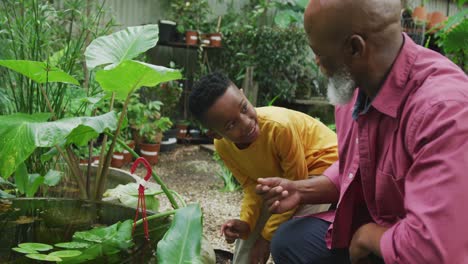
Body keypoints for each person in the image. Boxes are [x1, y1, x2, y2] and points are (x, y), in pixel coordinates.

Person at [256, 0, 468, 263]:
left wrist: (369, 236)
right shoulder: (356, 88)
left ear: (355, 48)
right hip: (385, 227)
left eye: (319, 51)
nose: (317, 61)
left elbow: (436, 249)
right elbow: (357, 165)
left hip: (426, 244)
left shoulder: (443, 110)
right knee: (290, 242)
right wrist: (303, 190)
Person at [188, 72, 338, 264]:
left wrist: (266, 238)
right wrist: (247, 222)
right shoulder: (223, 146)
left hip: (324, 170)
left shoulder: (278, 128)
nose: (247, 123)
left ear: (244, 95)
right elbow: (252, 187)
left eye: (244, 108)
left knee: (288, 236)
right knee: (248, 237)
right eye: (231, 124)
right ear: (215, 134)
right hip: (287, 181)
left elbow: (296, 187)